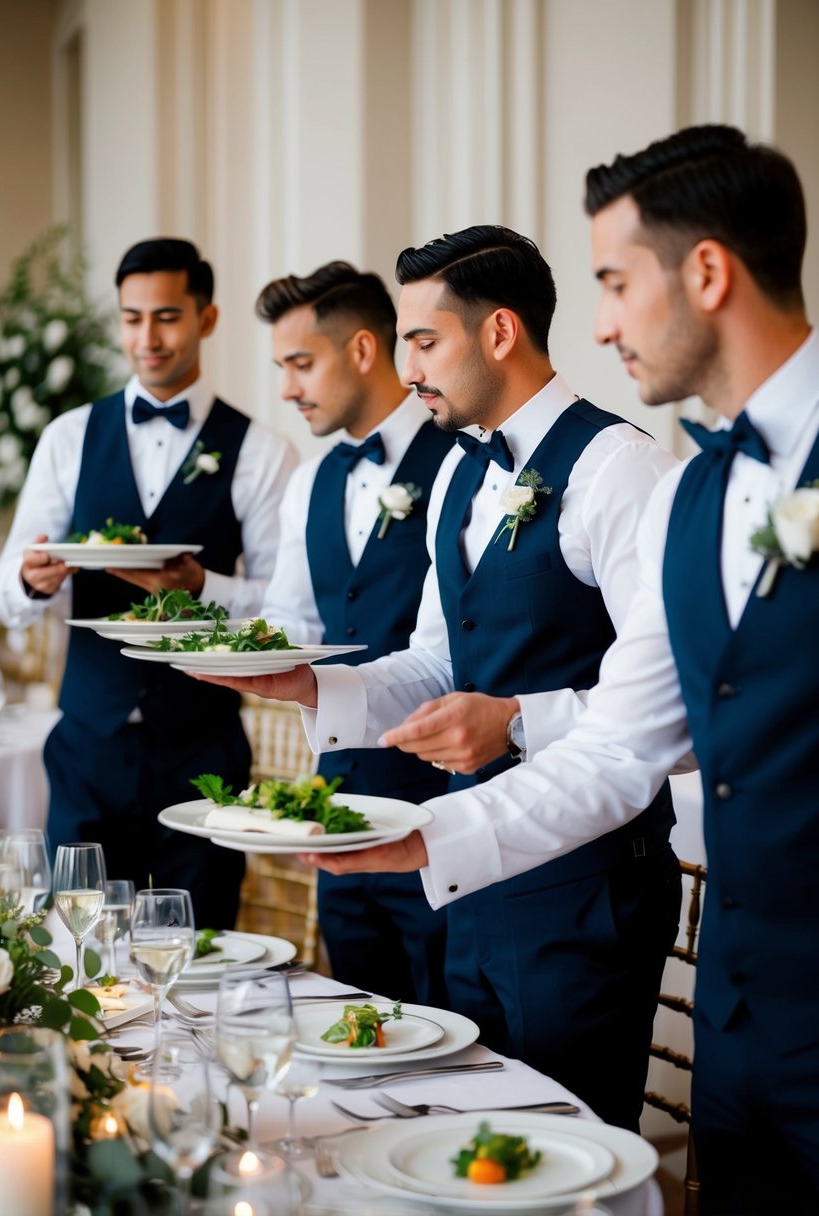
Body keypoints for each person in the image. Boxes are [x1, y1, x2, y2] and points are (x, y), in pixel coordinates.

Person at [304, 127, 819, 1213]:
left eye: (615, 282)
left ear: (708, 274)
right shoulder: (697, 493)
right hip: (734, 998)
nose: (595, 324)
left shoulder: (628, 472)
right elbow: (633, 741)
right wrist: (414, 831)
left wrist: (499, 742)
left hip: (601, 911)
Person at [194, 225, 682, 1131]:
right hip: (472, 865)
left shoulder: (621, 471)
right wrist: (310, 687)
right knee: (465, 1133)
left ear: (498, 333)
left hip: (586, 891)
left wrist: (519, 723)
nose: (407, 368)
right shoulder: (461, 472)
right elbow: (434, 661)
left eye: (425, 341)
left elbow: (671, 710)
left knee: (566, 1149)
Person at [0, 238, 298, 926]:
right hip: (86, 747)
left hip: (204, 748)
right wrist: (34, 580)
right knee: (77, 947)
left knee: (202, 948)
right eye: (132, 318)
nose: (147, 338)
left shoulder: (261, 451)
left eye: (166, 316)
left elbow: (284, 609)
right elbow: (7, 592)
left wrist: (204, 588)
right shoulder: (69, 437)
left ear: (206, 319)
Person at [254, 260, 454, 1005]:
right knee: (363, 1026)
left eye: (301, 363)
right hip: (337, 811)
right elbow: (291, 621)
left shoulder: (459, 459)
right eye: (281, 367)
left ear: (364, 350)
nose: (287, 388)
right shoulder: (310, 482)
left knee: (453, 1035)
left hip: (440, 808)